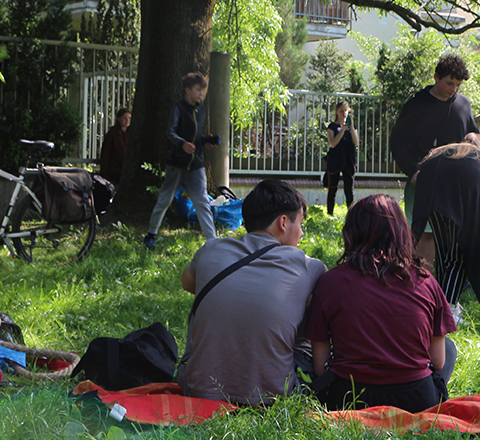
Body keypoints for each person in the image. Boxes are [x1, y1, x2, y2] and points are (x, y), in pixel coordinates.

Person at [177, 179, 326, 405]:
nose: (302, 233)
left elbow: (188, 284)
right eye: (300, 223)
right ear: (283, 222)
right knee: (313, 314)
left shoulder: (210, 250)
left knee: (205, 304)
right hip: (275, 398)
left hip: (198, 391)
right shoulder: (309, 267)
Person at [307, 194, 457, 413]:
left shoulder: (330, 282)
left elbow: (321, 367)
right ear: (402, 233)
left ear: (351, 233)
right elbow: (439, 361)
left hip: (349, 399)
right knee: (448, 347)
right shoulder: (426, 281)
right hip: (417, 400)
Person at [410, 133, 480, 323]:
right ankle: (449, 310)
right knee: (456, 259)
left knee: (446, 257)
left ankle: (444, 305)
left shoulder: (448, 153)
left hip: (433, 206)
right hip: (457, 209)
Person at [389, 54, 479, 268]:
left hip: (456, 183)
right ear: (436, 77)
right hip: (423, 181)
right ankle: (422, 278)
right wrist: (412, 171)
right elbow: (397, 142)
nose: (453, 89)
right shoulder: (416, 105)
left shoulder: (463, 105)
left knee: (454, 233)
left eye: (458, 85)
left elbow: (473, 139)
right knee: (424, 234)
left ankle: (449, 278)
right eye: (449, 83)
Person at [143, 72, 219, 249]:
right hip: (176, 165)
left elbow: (196, 137)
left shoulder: (202, 111)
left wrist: (205, 141)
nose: (201, 93)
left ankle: (213, 242)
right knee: (165, 200)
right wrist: (182, 144)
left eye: (203, 90)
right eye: (198, 89)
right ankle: (150, 236)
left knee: (202, 202)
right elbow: (170, 132)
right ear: (187, 90)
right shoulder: (178, 109)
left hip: (196, 166)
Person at [324, 101, 358, 216]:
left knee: (349, 188)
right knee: (333, 187)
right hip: (336, 160)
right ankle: (330, 213)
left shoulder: (352, 127)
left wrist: (351, 126)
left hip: (349, 159)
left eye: (346, 111)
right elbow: (333, 143)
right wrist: (342, 130)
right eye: (341, 111)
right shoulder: (332, 127)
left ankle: (351, 214)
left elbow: (356, 142)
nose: (344, 113)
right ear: (336, 112)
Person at [99, 108, 130, 183]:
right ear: (118, 119)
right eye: (124, 118)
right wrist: (104, 173)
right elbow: (106, 153)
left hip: (127, 170)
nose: (127, 120)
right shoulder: (112, 134)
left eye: (129, 118)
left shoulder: (130, 133)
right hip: (115, 171)